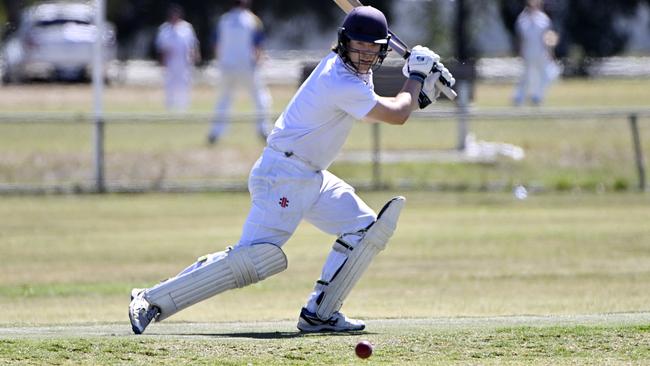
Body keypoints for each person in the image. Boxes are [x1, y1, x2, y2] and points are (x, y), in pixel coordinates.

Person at [129, 6, 455, 334]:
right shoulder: (338, 78)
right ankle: (151, 298)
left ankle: (320, 313)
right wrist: (415, 77)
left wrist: (419, 92)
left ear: (383, 50)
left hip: (310, 176)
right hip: (283, 175)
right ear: (343, 42)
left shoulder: (356, 73)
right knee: (252, 260)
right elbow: (396, 114)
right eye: (359, 45)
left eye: (372, 48)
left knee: (365, 230)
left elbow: (394, 107)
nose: (365, 54)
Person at [207, 0, 272, 144]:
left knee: (223, 99)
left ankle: (215, 132)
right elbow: (258, 45)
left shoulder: (224, 20)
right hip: (246, 65)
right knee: (260, 97)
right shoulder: (252, 20)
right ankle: (263, 130)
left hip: (227, 65)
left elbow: (216, 44)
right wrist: (258, 61)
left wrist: (221, 61)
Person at [512, 0, 559, 106]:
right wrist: (520, 52)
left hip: (541, 52)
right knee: (526, 76)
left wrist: (550, 51)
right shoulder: (522, 19)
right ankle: (519, 97)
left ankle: (537, 96)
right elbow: (519, 38)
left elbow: (548, 36)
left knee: (548, 75)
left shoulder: (543, 19)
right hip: (528, 52)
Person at [155, 4, 200, 112]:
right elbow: (161, 47)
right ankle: (169, 106)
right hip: (170, 61)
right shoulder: (164, 29)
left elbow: (192, 44)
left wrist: (195, 56)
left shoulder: (186, 28)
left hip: (184, 61)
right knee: (170, 83)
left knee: (184, 83)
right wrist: (162, 62)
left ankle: (183, 107)